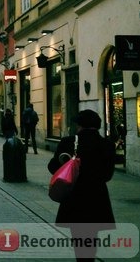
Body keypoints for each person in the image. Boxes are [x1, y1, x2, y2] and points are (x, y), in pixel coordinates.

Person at [48, 109, 115, 261]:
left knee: (79, 240)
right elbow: (107, 175)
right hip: (97, 197)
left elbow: (52, 168)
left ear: (79, 125)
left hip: (74, 197)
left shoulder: (68, 142)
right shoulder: (107, 145)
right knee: (91, 239)